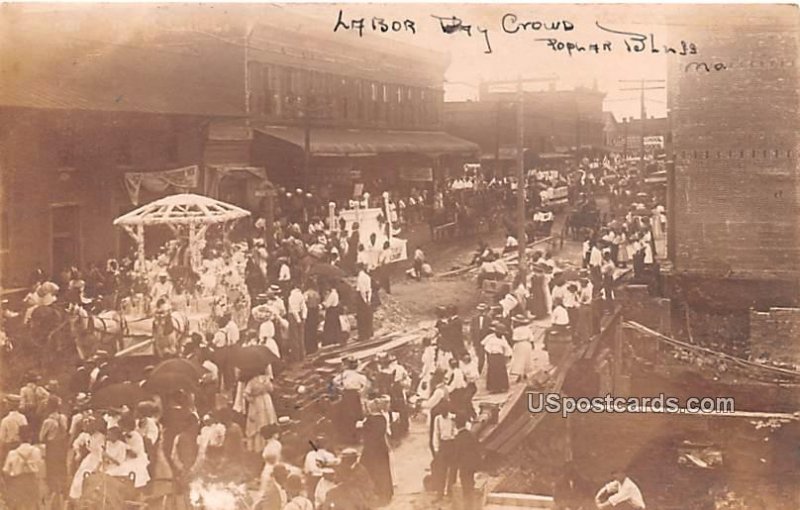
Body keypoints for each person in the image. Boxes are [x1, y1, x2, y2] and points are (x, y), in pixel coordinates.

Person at [2, 426, 43, 510]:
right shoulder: (37, 451)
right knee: (32, 506)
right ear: (30, 438)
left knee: (17, 506)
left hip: (17, 483)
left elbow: (6, 471)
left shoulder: (12, 453)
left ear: (19, 438)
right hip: (32, 482)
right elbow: (40, 468)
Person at [39, 397, 68, 508]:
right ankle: (63, 490)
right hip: (62, 445)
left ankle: (53, 490)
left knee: (51, 468)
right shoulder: (63, 418)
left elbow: (41, 437)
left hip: (52, 446)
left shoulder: (48, 421)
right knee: (62, 466)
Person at [242, 367, 278, 453]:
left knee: (266, 420)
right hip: (259, 402)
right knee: (259, 422)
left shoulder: (258, 380)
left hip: (263, 401)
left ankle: (265, 445)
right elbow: (246, 394)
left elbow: (245, 394)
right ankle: (260, 446)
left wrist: (251, 398)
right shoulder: (254, 381)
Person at [333, 357, 368, 443]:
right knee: (357, 415)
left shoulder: (346, 374)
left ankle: (350, 437)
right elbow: (365, 386)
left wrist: (341, 388)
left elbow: (335, 381)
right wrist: (361, 391)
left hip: (347, 394)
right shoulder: (359, 376)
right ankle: (356, 437)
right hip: (353, 395)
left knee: (348, 416)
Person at [452, 413, 482, 510]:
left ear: (456, 424)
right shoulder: (471, 434)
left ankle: (468, 507)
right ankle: (472, 506)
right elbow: (478, 449)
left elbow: (456, 454)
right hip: (472, 466)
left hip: (464, 467)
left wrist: (454, 466)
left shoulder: (458, 438)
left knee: (466, 488)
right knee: (470, 485)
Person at [431, 404, 457, 499]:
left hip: (452, 445)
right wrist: (436, 448)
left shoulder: (453, 418)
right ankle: (440, 493)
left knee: (453, 470)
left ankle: (450, 492)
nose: (443, 413)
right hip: (443, 445)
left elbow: (460, 429)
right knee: (441, 470)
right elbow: (436, 433)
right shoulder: (437, 419)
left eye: (444, 411)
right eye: (441, 411)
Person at [481, 323, 512, 393]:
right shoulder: (491, 339)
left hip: (500, 357)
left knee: (501, 371)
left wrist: (508, 355)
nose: (501, 334)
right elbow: (486, 348)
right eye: (499, 333)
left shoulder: (503, 339)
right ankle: (493, 388)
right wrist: (489, 357)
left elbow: (507, 347)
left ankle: (502, 387)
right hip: (493, 356)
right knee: (493, 372)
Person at [509, 315, 534, 383]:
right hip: (527, 344)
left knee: (519, 359)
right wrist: (532, 345)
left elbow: (514, 339)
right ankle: (525, 373)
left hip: (519, 344)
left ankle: (520, 374)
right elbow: (531, 338)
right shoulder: (528, 329)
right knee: (527, 359)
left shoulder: (516, 330)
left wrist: (512, 346)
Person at [287, 283, 308, 362]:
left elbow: (293, 309)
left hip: (293, 316)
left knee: (294, 338)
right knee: (301, 337)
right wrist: (304, 317)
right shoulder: (301, 295)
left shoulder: (292, 296)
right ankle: (302, 355)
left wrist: (298, 319)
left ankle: (296, 357)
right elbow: (304, 307)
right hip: (300, 315)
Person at [470, 303, 490, 375]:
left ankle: (488, 370)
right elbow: (472, 330)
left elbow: (490, 330)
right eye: (480, 310)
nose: (481, 312)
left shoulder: (488, 319)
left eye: (483, 310)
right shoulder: (474, 319)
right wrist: (472, 340)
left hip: (486, 339)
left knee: (487, 355)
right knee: (480, 355)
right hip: (477, 339)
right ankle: (479, 370)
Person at [355, 264, 374, 341]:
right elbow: (369, 289)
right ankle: (368, 333)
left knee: (361, 317)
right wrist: (368, 299)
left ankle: (362, 335)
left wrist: (364, 300)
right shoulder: (367, 277)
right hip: (367, 296)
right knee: (367, 316)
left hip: (361, 297)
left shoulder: (360, 277)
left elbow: (362, 290)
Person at [303, 283, 321, 355]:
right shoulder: (316, 293)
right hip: (315, 311)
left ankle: (309, 348)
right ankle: (314, 347)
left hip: (309, 312)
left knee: (308, 330)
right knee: (314, 329)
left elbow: (304, 302)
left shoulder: (306, 293)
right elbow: (319, 301)